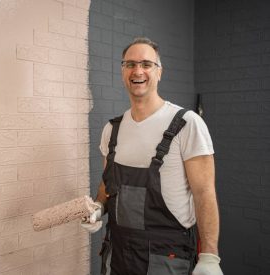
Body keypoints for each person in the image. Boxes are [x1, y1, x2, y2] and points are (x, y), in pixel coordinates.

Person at [81, 37, 223, 275]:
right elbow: (108, 184)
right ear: (122, 71)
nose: (138, 71)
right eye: (130, 64)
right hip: (117, 252)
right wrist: (98, 208)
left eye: (147, 64)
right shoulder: (111, 130)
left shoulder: (187, 124)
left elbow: (204, 193)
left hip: (166, 255)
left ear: (159, 72)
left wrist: (209, 255)